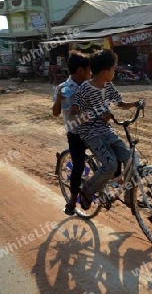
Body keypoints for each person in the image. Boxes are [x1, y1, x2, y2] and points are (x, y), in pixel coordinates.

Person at [71, 49, 142, 210]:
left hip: (106, 130)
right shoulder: (85, 89)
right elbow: (75, 111)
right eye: (113, 69)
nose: (114, 72)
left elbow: (120, 103)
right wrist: (95, 114)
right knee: (110, 165)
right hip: (90, 133)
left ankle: (129, 196)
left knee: (133, 160)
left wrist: (135, 104)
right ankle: (87, 191)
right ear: (105, 71)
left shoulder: (108, 86)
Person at [52, 50, 91, 215]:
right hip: (76, 134)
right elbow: (55, 113)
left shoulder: (91, 86)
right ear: (80, 70)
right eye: (89, 69)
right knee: (79, 166)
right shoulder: (63, 88)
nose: (91, 73)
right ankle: (72, 201)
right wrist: (60, 100)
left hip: (93, 130)